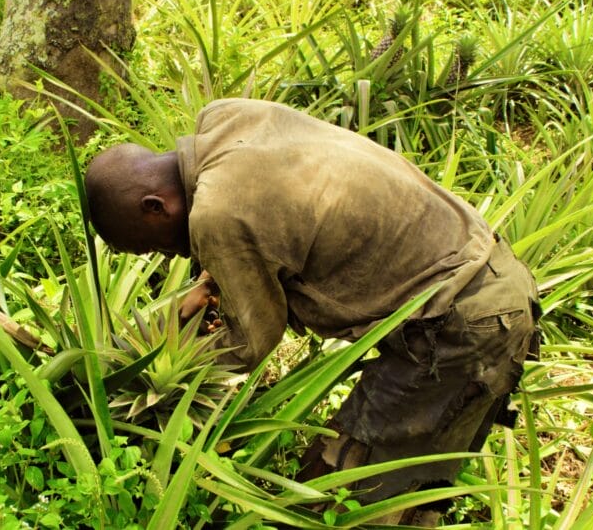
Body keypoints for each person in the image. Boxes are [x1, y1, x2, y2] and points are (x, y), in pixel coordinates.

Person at [84, 98, 540, 525]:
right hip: (492, 278)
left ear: (154, 206)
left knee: (334, 498)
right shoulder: (226, 120)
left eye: (153, 245)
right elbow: (280, 220)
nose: (169, 257)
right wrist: (200, 292)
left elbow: (252, 341)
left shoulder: (217, 213)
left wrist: (148, 371)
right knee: (405, 486)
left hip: (459, 325)